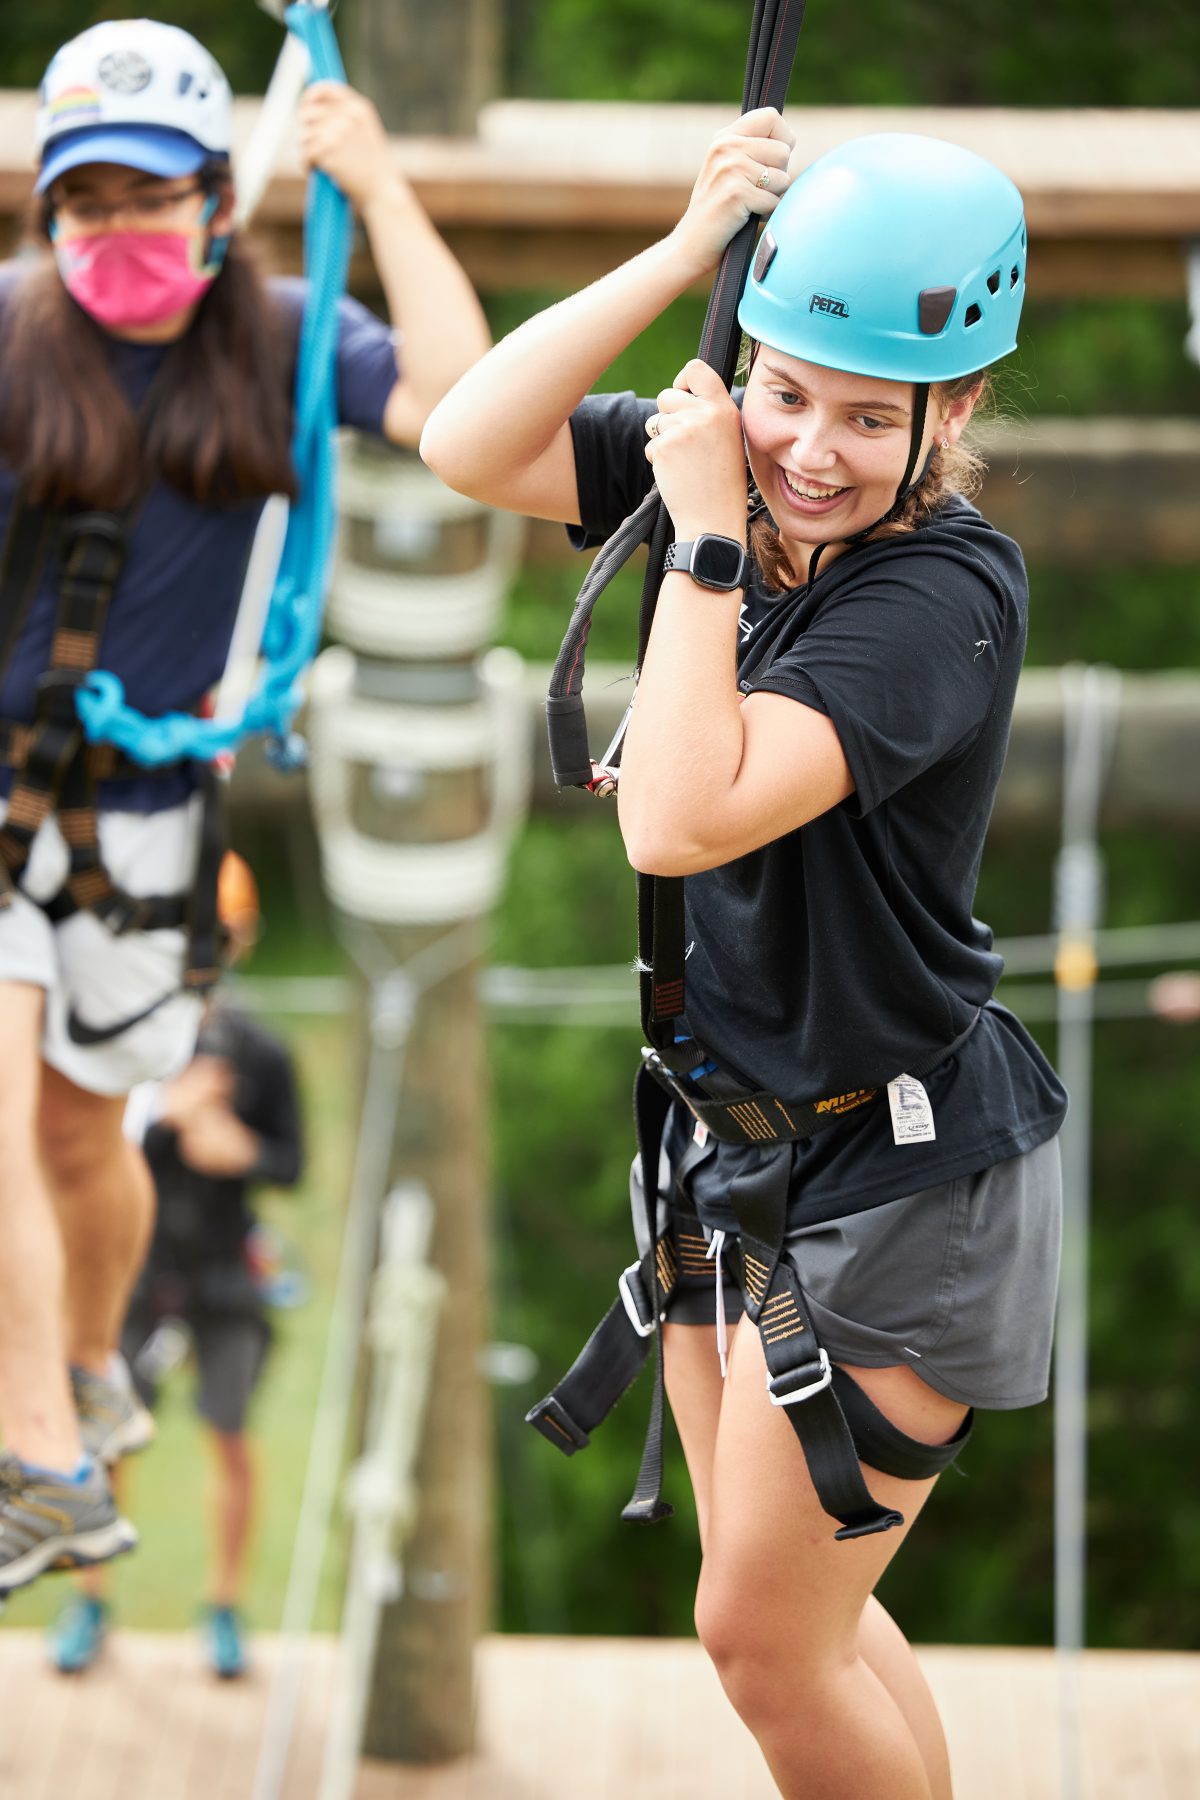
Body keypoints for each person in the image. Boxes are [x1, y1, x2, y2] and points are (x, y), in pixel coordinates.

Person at [422, 112, 1067, 1799]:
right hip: (740, 1146)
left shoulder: (939, 600)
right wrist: (685, 243)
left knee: (765, 1643)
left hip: (902, 1169)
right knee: (802, 1632)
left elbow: (678, 818)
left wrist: (705, 533)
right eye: (788, 389)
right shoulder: (740, 466)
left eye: (874, 417)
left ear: (959, 412)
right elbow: (462, 438)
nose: (818, 451)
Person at [0, 17, 489, 1598]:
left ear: (219, 199)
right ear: (47, 213)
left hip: (145, 823)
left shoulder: (280, 338)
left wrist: (384, 191)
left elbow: (463, 411)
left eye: (151, 198)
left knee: (84, 1139)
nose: (117, 233)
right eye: (87, 204)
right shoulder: (9, 333)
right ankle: (44, 1468)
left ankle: (84, 1367)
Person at [50, 853, 301, 1678]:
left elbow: (291, 1163)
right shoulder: (124, 1036)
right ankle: (91, 1600)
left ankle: (223, 1608)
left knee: (230, 1435)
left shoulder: (260, 1052)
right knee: (107, 1433)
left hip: (225, 1268)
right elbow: (87, 1149)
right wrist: (166, 1120)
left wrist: (243, 1151)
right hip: (134, 1264)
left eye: (220, 934)